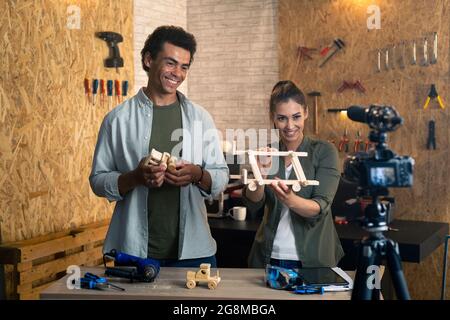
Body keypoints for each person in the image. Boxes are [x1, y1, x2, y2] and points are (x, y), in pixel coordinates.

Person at [89, 26, 229, 268]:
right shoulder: (117, 119)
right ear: (148, 59)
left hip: (194, 253)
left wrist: (197, 174)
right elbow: (98, 181)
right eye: (171, 63)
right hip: (134, 252)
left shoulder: (200, 118)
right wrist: (135, 177)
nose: (178, 73)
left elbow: (221, 175)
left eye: (184, 67)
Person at [243, 80, 344, 269]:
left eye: (296, 117)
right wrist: (259, 179)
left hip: (313, 259)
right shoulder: (268, 153)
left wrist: (289, 199)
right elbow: (253, 203)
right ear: (273, 118)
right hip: (268, 256)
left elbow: (320, 206)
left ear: (305, 113)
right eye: (282, 118)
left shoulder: (324, 151)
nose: (290, 125)